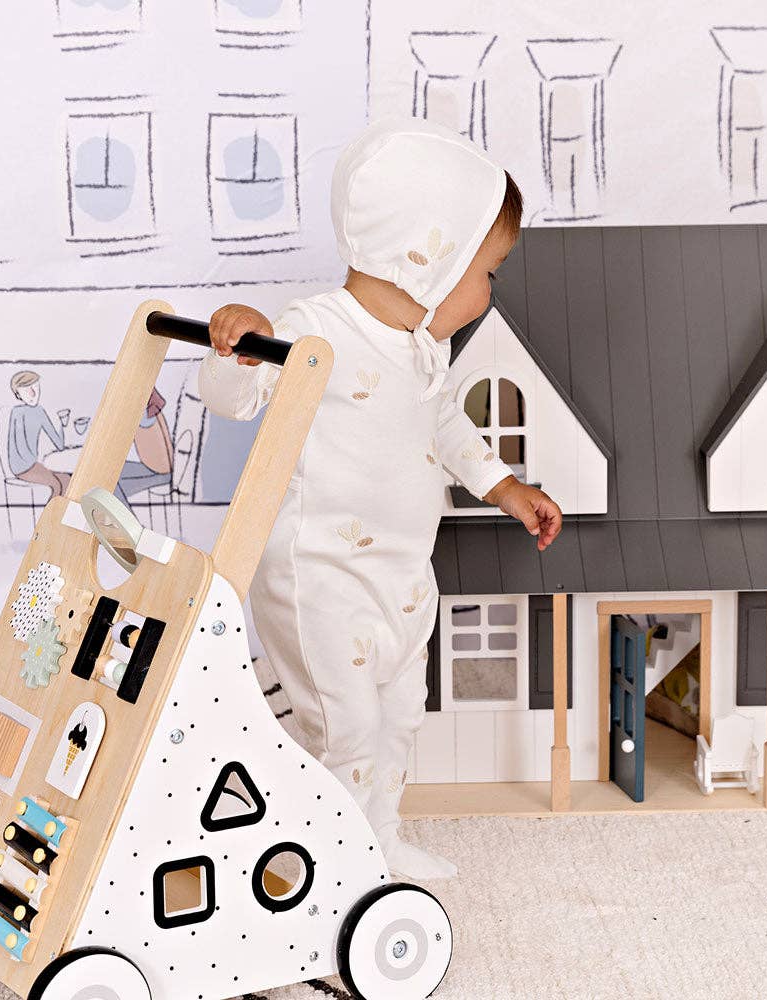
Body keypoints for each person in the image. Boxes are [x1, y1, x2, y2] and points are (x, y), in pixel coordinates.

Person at [199, 116, 563, 880]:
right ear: (428, 259)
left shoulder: (425, 348)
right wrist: (241, 347)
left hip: (401, 575)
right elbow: (235, 400)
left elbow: (443, 420)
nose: (490, 290)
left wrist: (503, 487)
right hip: (318, 574)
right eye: (487, 271)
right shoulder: (314, 329)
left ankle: (379, 840)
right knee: (347, 727)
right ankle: (325, 866)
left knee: (399, 717)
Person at [7, 371, 70, 500]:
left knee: (66, 480)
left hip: (34, 464)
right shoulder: (17, 412)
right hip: (22, 467)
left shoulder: (39, 411)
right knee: (56, 485)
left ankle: (63, 512)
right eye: (26, 390)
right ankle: (51, 514)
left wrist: (61, 425)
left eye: (35, 387)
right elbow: (19, 449)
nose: (33, 393)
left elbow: (59, 444)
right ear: (18, 395)